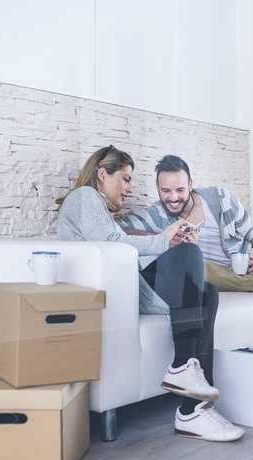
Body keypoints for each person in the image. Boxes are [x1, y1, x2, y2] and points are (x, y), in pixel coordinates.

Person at [56, 145, 243, 442]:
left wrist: (169, 241)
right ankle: (184, 372)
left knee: (207, 293)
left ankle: (193, 411)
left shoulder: (96, 206)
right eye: (126, 178)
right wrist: (165, 240)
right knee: (187, 253)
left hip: (126, 284)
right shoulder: (85, 197)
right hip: (116, 292)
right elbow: (112, 242)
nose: (129, 188)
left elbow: (115, 241)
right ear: (103, 174)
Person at [121, 155, 253, 343]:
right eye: (165, 191)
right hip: (215, 275)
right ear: (158, 188)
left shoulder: (220, 199)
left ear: (191, 184)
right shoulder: (157, 214)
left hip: (249, 264)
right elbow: (121, 231)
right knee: (200, 267)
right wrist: (163, 236)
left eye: (180, 189)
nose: (173, 197)